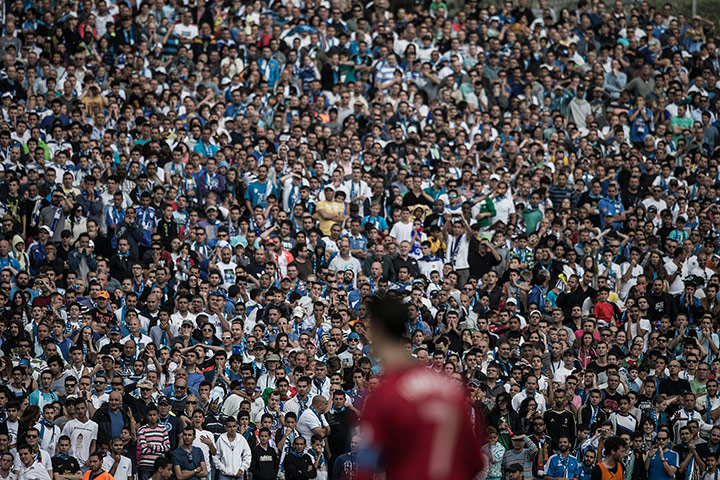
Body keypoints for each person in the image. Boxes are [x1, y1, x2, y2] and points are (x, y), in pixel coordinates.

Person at [359, 297, 484, 479]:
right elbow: (474, 462)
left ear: (377, 331)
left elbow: (365, 466)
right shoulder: (447, 389)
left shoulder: (384, 396)